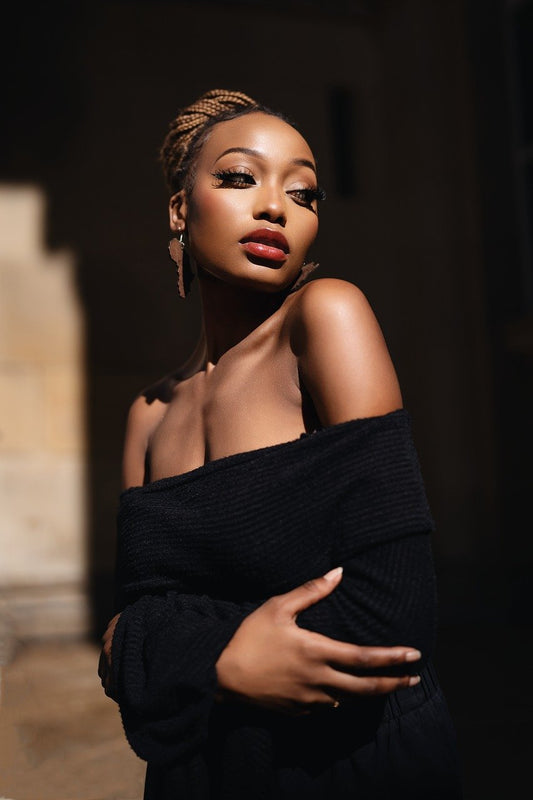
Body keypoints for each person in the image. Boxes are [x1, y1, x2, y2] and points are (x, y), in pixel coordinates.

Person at [98, 89, 463, 799]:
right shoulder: (147, 413)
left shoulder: (326, 317)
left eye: (303, 193)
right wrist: (213, 657)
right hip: (198, 774)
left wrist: (196, 660)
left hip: (351, 767)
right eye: (240, 177)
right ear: (179, 210)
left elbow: (395, 614)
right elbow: (123, 636)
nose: (275, 208)